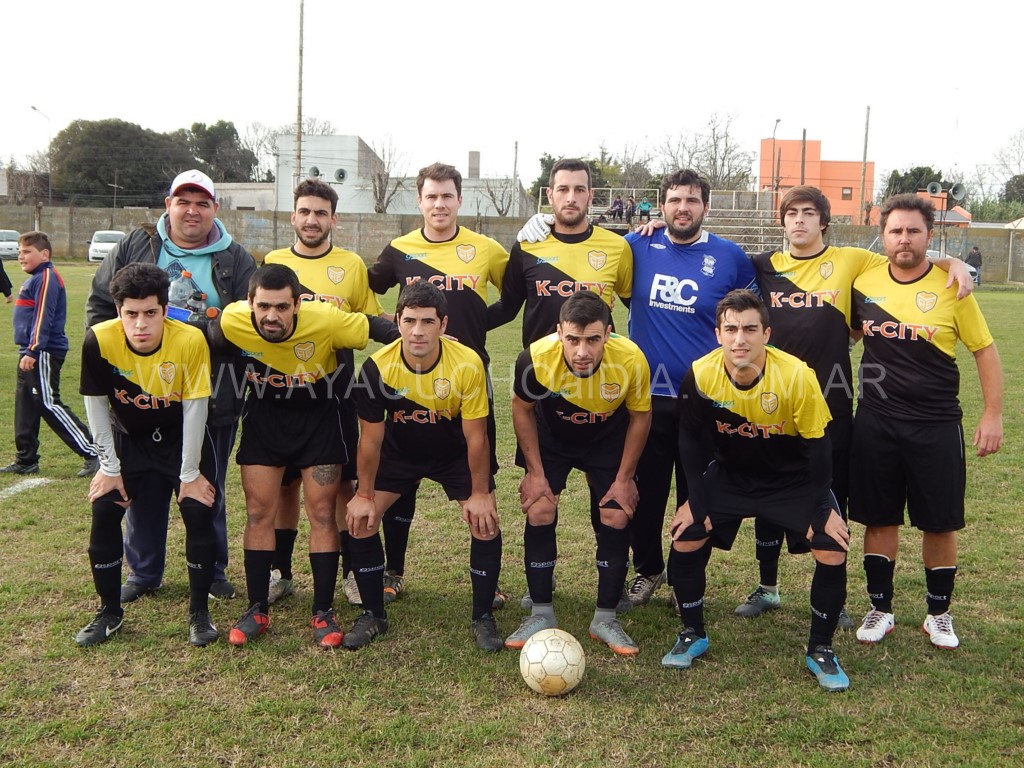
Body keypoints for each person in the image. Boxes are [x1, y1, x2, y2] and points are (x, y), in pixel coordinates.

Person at [738, 186, 974, 624]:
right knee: (769, 494)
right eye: (792, 213)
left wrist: (954, 262)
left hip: (832, 400)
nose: (800, 220)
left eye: (810, 213)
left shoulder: (853, 261)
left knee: (835, 496)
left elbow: (908, 259)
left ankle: (838, 598)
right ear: (781, 221)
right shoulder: (763, 265)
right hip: (774, 400)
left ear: (824, 221)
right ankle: (768, 588)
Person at [665, 289, 851, 692]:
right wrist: (696, 501)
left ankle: (820, 648)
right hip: (732, 475)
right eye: (731, 329)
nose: (740, 339)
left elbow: (820, 447)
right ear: (718, 334)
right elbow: (690, 439)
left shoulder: (797, 375)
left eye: (750, 329)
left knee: (831, 545)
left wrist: (822, 507)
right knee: (686, 535)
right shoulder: (701, 373)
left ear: (767, 333)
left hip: (792, 479)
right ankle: (692, 632)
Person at [86, 169, 257, 602]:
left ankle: (212, 570)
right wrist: (114, 362)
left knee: (206, 484)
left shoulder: (236, 257)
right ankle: (145, 572)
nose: (192, 211)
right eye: (183, 202)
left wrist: (201, 335)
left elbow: (248, 323)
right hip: (139, 393)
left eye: (202, 203)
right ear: (168, 205)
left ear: (215, 208)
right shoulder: (136, 244)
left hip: (211, 390)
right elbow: (102, 304)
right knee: (143, 487)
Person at [212, 264, 395, 647]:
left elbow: (377, 328)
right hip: (265, 420)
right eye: (263, 306)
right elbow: (201, 338)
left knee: (323, 513)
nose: (271, 316)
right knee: (258, 512)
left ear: (297, 304)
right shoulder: (232, 320)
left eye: (281, 307)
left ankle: (322, 611)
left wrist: (428, 343)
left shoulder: (327, 319)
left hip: (319, 421)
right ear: (250, 302)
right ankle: (257, 608)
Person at [849, 194, 1002, 651]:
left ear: (929, 236)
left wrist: (992, 413)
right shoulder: (864, 282)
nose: (904, 239)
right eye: (895, 231)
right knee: (879, 518)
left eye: (913, 231)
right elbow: (848, 334)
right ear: (882, 235)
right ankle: (881, 608)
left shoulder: (952, 286)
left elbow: (984, 350)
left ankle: (939, 614)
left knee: (939, 522)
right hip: (875, 421)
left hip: (935, 424)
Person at [492, 157, 634, 610]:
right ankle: (540, 592)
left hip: (603, 395)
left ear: (592, 195)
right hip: (544, 396)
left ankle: (612, 589)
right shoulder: (528, 245)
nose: (571, 197)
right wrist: (454, 331)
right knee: (541, 498)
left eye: (579, 189)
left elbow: (639, 304)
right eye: (562, 189)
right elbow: (507, 307)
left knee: (607, 500)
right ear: (549, 195)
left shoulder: (617, 247)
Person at [367, 162, 510, 610]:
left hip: (467, 378)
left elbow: (514, 298)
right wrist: (390, 329)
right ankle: (393, 572)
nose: (440, 204)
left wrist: (477, 326)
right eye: (431, 196)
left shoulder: (485, 249)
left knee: (478, 474)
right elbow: (365, 289)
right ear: (420, 200)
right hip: (410, 379)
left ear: (459, 200)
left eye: (447, 196)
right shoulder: (399, 250)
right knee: (401, 475)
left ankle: (488, 583)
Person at [622, 170, 757, 609]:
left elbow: (753, 316)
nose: (683, 208)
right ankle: (647, 569)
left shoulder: (731, 257)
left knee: (698, 493)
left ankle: (686, 577)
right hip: (646, 399)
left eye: (692, 200)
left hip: (704, 400)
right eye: (675, 200)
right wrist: (541, 224)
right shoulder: (635, 246)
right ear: (660, 205)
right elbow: (587, 252)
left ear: (706, 207)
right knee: (644, 492)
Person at [345, 280, 502, 651]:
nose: (418, 331)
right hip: (399, 454)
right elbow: (370, 440)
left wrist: (481, 493)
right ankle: (373, 613)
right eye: (410, 320)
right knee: (362, 521)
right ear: (397, 321)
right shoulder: (376, 368)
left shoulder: (467, 363)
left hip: (454, 453)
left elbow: (476, 437)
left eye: (428, 322)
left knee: (485, 522)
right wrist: (364, 494)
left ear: (443, 325)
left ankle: (482, 616)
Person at [74, 263, 219, 647]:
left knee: (198, 509)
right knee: (105, 509)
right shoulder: (99, 339)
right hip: (129, 439)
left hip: (180, 438)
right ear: (118, 310)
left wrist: (189, 474)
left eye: (151, 313)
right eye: (131, 314)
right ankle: (109, 612)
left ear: (165, 310)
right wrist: (109, 467)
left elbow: (196, 409)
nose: (141, 324)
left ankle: (199, 612)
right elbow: (95, 406)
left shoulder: (190, 339)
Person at [503, 291, 651, 656]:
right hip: (553, 437)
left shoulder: (631, 359)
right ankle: (540, 613)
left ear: (608, 334)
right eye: (572, 339)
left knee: (616, 513)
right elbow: (521, 409)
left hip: (606, 437)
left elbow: (640, 416)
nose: (582, 351)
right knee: (540, 506)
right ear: (559, 333)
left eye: (592, 340)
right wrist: (535, 472)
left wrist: (625, 478)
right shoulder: (535, 358)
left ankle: (605, 618)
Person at [262, 179, 384, 607]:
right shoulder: (274, 262)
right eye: (304, 211)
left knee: (340, 484)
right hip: (279, 394)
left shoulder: (350, 265)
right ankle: (279, 571)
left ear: (334, 219)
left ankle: (352, 572)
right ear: (292, 216)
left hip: (335, 393)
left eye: (320, 213)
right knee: (285, 485)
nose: (311, 220)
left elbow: (370, 321)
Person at [1, 231, 98, 477]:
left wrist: (34, 350)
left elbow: (43, 316)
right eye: (20, 252)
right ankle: (26, 459)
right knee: (26, 404)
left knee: (47, 401)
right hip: (29, 350)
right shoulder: (35, 278)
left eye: (27, 252)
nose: (21, 256)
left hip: (42, 351)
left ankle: (92, 452)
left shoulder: (46, 278)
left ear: (44, 254)